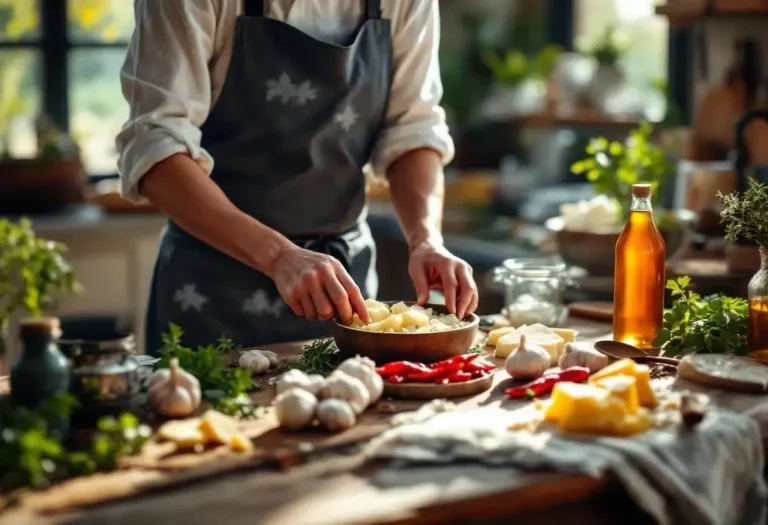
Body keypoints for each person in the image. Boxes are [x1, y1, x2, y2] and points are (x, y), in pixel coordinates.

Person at [117, 0, 479, 354]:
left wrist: (425, 240)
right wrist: (278, 256)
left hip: (342, 291)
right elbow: (155, 147)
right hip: (209, 293)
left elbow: (412, 131)